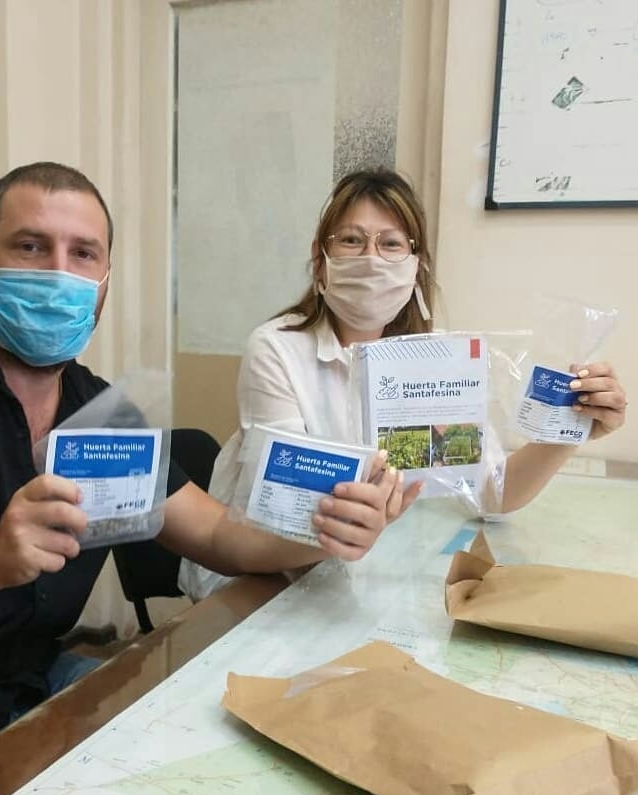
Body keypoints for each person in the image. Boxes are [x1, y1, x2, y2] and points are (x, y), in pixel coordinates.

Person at [0, 162, 402, 795]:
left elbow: (215, 534)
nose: (58, 274)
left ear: (104, 282)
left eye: (83, 254)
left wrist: (323, 529)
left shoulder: (97, 412)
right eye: (31, 246)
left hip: (24, 685)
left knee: (208, 749)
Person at [178, 167, 628, 601]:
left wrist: (569, 428)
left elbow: (491, 492)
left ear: (416, 267)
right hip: (265, 581)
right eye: (351, 240)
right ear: (320, 260)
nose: (371, 259)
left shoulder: (434, 363)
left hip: (360, 578)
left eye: (391, 243)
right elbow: (284, 506)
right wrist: (366, 514)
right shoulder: (277, 349)